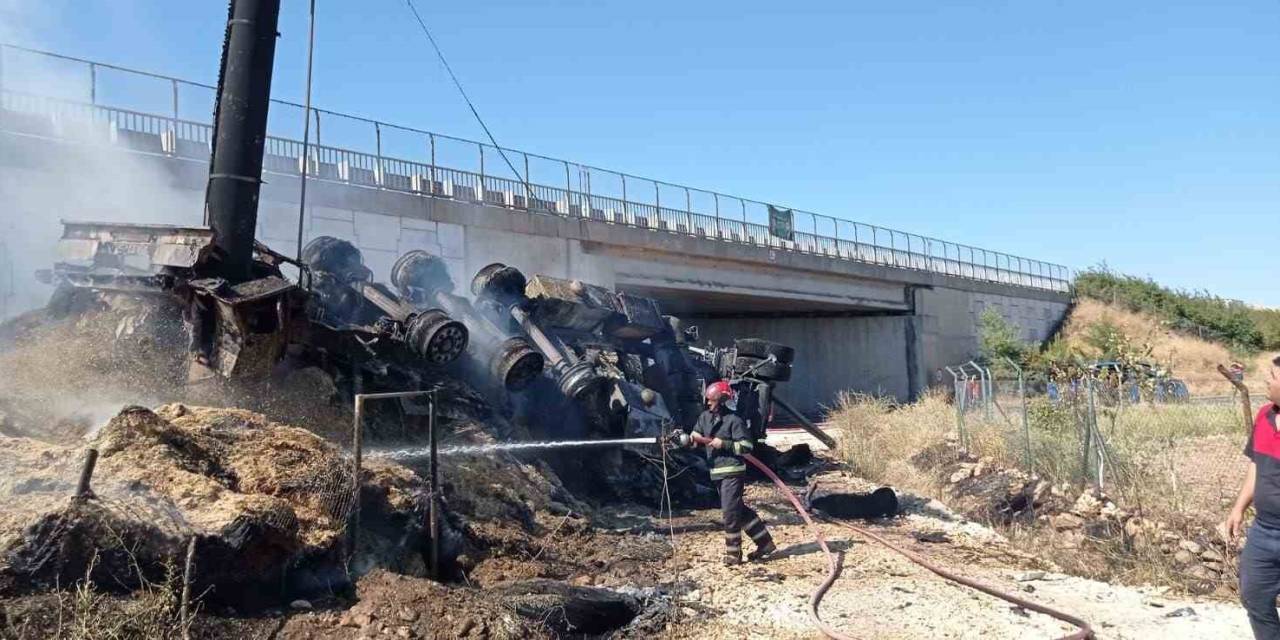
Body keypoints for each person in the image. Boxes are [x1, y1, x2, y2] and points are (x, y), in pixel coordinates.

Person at [689, 380, 776, 566]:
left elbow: (746, 446)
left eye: (711, 400)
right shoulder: (704, 418)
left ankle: (733, 554)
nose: (708, 403)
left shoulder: (734, 421)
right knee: (737, 510)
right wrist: (691, 439)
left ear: (721, 400)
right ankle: (765, 543)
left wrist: (725, 444)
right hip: (716, 472)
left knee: (729, 513)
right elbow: (696, 434)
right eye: (707, 399)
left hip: (732, 472)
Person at [1226, 363, 1280, 639]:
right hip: (1263, 530)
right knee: (1255, 597)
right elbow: (1256, 465)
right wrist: (1239, 508)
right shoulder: (1264, 415)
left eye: (1272, 375)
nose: (1266, 380)